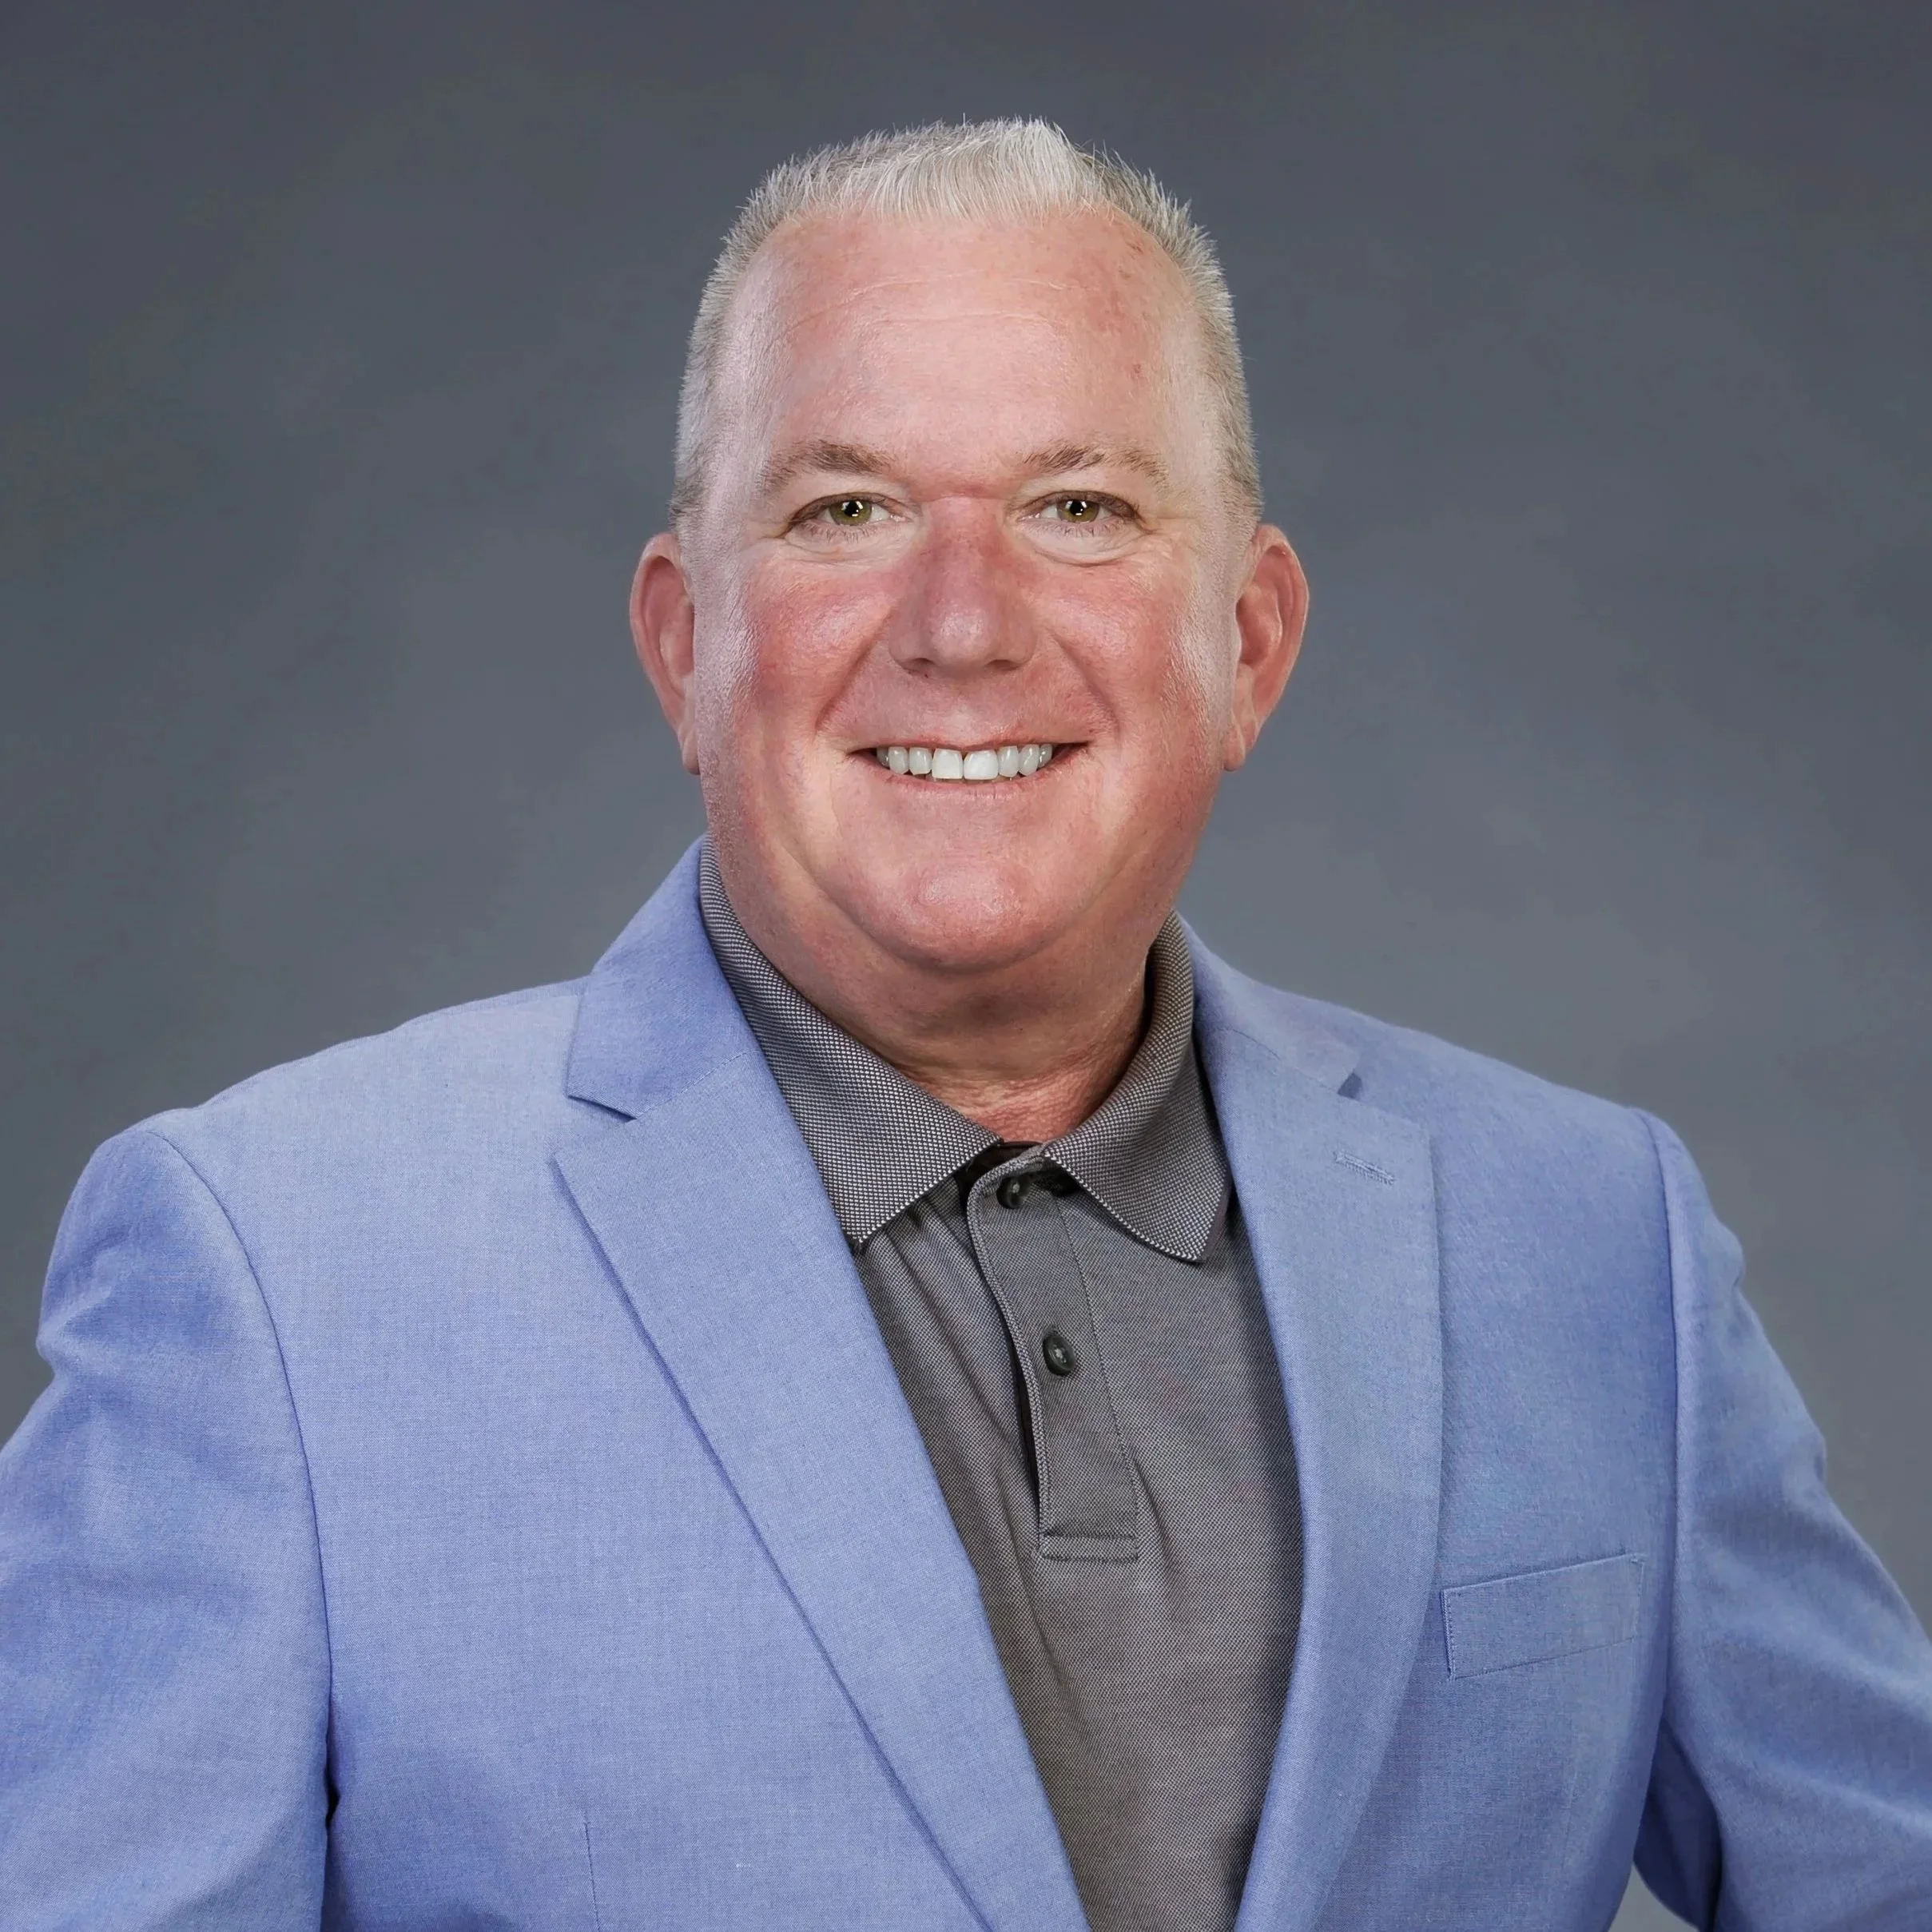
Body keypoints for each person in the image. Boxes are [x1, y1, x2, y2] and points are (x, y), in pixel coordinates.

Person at [2, 118, 1928, 1932]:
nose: (962, 622)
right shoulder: (273, 1274)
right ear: (687, 644)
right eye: (847, 507)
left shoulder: (1596, 1245)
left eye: (1078, 505)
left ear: (1247, 644)